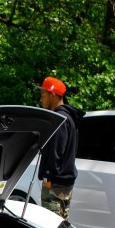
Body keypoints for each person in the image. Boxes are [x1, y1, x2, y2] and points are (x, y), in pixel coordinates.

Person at [35, 76, 84, 220]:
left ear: (53, 95)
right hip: (65, 181)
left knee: (50, 224)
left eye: (43, 95)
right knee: (62, 223)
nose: (41, 99)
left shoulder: (59, 119)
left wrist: (48, 176)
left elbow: (56, 151)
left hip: (55, 183)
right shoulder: (69, 118)